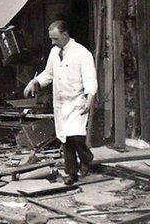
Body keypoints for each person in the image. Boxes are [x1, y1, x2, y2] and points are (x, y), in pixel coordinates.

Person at [24, 20, 97, 185]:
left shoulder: (82, 53)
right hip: (61, 104)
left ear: (65, 35)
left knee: (76, 137)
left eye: (55, 38)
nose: (52, 42)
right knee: (66, 140)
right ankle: (71, 174)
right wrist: (34, 81)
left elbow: (90, 80)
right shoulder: (54, 53)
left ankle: (87, 159)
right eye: (51, 39)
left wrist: (89, 99)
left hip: (77, 101)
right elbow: (48, 74)